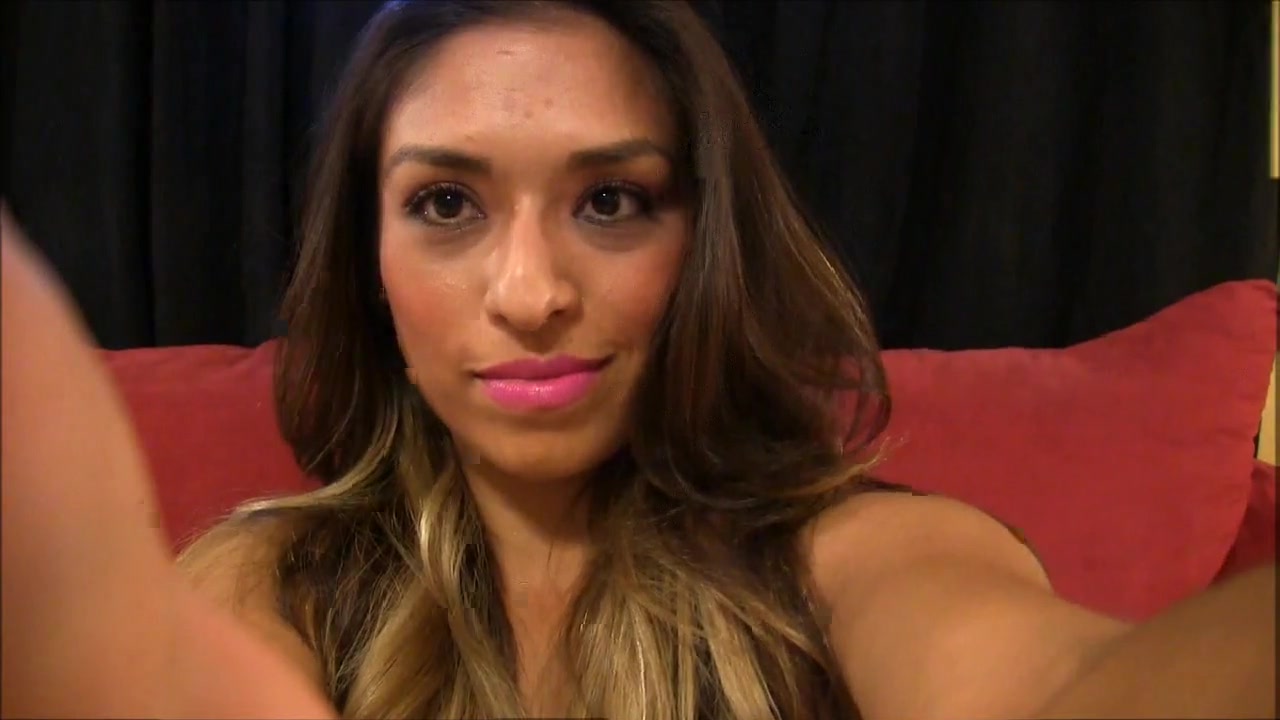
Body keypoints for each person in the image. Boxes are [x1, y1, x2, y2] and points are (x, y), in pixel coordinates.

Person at [1, 1, 1273, 718]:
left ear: (705, 240)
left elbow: (1058, 691)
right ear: (365, 265)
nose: (530, 294)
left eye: (611, 202)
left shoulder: (855, 557)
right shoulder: (273, 573)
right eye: (445, 204)